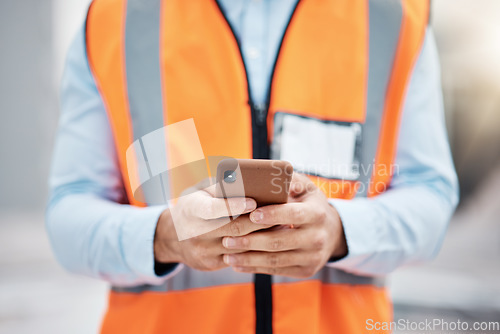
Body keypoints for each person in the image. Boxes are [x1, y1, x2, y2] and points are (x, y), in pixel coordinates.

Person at [46, 0, 459, 333]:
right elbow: (68, 214)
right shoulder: (114, 19)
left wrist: (340, 232)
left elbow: (431, 196)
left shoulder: (392, 14)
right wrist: (163, 238)